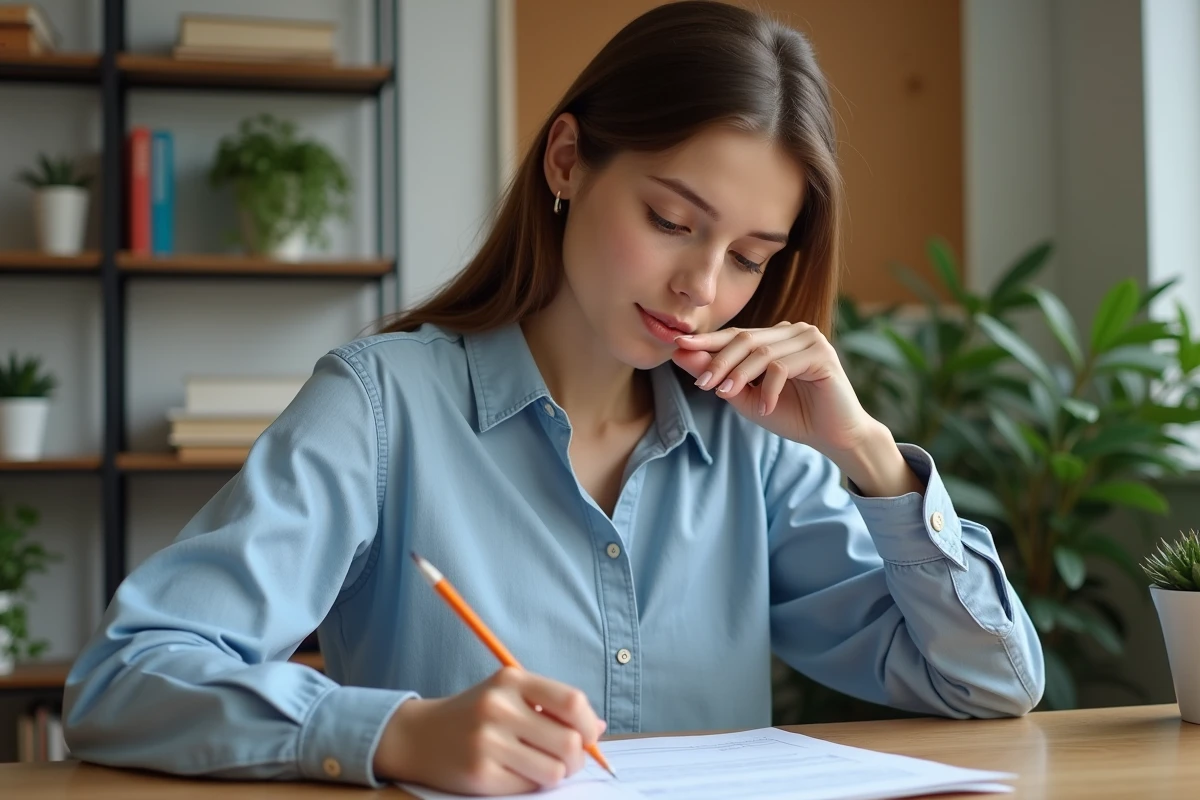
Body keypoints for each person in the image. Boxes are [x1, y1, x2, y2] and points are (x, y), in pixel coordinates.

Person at [62, 1, 1045, 795]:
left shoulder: (755, 441)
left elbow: (990, 681)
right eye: (671, 219)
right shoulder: (381, 407)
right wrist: (398, 732)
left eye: (748, 256)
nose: (702, 285)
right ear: (567, 160)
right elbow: (124, 678)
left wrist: (869, 451)